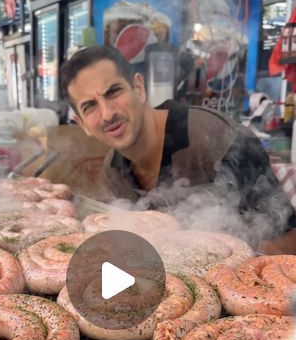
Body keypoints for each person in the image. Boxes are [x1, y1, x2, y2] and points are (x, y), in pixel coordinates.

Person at [60, 45, 295, 249]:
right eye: (90, 106)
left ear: (139, 88)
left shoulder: (218, 139)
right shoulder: (113, 171)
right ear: (82, 124)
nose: (108, 113)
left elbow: (288, 239)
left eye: (114, 92)